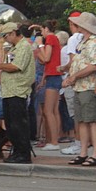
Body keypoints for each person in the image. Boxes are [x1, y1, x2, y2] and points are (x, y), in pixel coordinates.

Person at [62, 11, 96, 167]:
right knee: (81, 120)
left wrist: (74, 76)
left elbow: (94, 65)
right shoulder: (83, 42)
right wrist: (70, 74)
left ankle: (95, 154)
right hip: (80, 86)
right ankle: (83, 152)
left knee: (92, 120)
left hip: (90, 86)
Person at [0, 22, 36, 164]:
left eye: (6, 36)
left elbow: (16, 66)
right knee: (11, 124)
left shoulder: (24, 47)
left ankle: (23, 153)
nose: (5, 39)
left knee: (19, 124)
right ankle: (17, 151)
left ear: (13, 33)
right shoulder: (13, 48)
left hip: (18, 90)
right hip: (9, 90)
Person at [33, 20, 62, 150]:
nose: (42, 34)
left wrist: (40, 45)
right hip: (53, 75)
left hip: (53, 76)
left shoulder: (50, 38)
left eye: (42, 31)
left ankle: (54, 141)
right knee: (53, 111)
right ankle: (52, 140)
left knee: (48, 111)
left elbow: (46, 58)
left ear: (46, 29)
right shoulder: (54, 38)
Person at [60, 11, 85, 155]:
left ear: (71, 24)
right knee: (85, 115)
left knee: (75, 114)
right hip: (86, 79)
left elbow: (72, 61)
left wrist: (64, 70)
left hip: (74, 79)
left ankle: (78, 142)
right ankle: (84, 142)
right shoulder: (88, 38)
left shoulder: (73, 39)